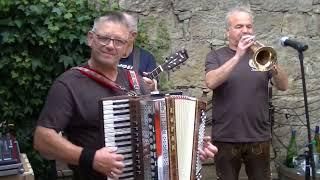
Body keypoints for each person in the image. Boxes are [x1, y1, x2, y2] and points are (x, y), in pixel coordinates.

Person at [33, 11, 217, 180]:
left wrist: (193, 146)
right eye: (104, 38)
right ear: (91, 39)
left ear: (126, 46)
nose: (110, 46)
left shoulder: (135, 81)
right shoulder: (68, 83)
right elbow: (42, 140)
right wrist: (92, 158)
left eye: (118, 41)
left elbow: (160, 135)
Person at [205, 6, 288, 180]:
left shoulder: (261, 56)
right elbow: (211, 81)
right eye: (239, 26)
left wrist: (272, 62)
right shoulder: (216, 56)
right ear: (227, 31)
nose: (245, 30)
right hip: (226, 136)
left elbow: (283, 86)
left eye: (248, 26)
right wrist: (238, 56)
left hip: (258, 136)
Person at [119, 12, 158, 91]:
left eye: (120, 32)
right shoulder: (107, 54)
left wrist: (152, 88)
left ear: (133, 35)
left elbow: (154, 92)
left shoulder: (146, 58)